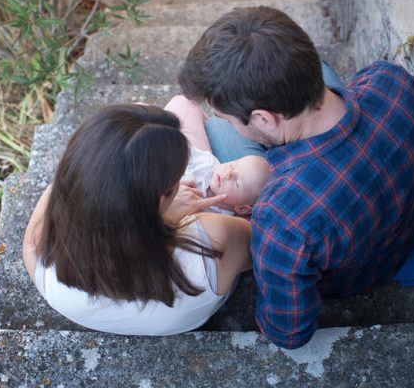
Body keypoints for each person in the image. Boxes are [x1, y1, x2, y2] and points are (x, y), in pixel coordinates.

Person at [178, 6, 414, 349]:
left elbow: (288, 332)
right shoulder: (391, 81)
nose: (227, 121)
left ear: (264, 119)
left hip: (348, 273)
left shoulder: (281, 217)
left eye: (231, 117)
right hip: (397, 238)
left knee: (212, 131)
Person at [23, 104, 252, 335]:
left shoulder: (38, 251)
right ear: (161, 201)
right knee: (224, 132)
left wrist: (161, 217)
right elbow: (264, 241)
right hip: (206, 265)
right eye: (176, 179)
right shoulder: (214, 237)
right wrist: (174, 220)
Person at [165, 95, 271, 216]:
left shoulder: (221, 220)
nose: (228, 173)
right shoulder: (207, 163)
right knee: (183, 102)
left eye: (237, 183)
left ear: (243, 209)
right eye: (232, 165)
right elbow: (181, 150)